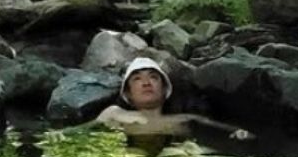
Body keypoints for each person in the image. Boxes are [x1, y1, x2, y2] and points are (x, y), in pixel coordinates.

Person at [96, 57, 254, 140]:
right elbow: (77, 134)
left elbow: (232, 132)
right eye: (137, 79)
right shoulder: (115, 114)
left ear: (165, 90)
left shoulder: (183, 120)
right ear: (128, 93)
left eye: (153, 77)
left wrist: (241, 136)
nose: (146, 83)